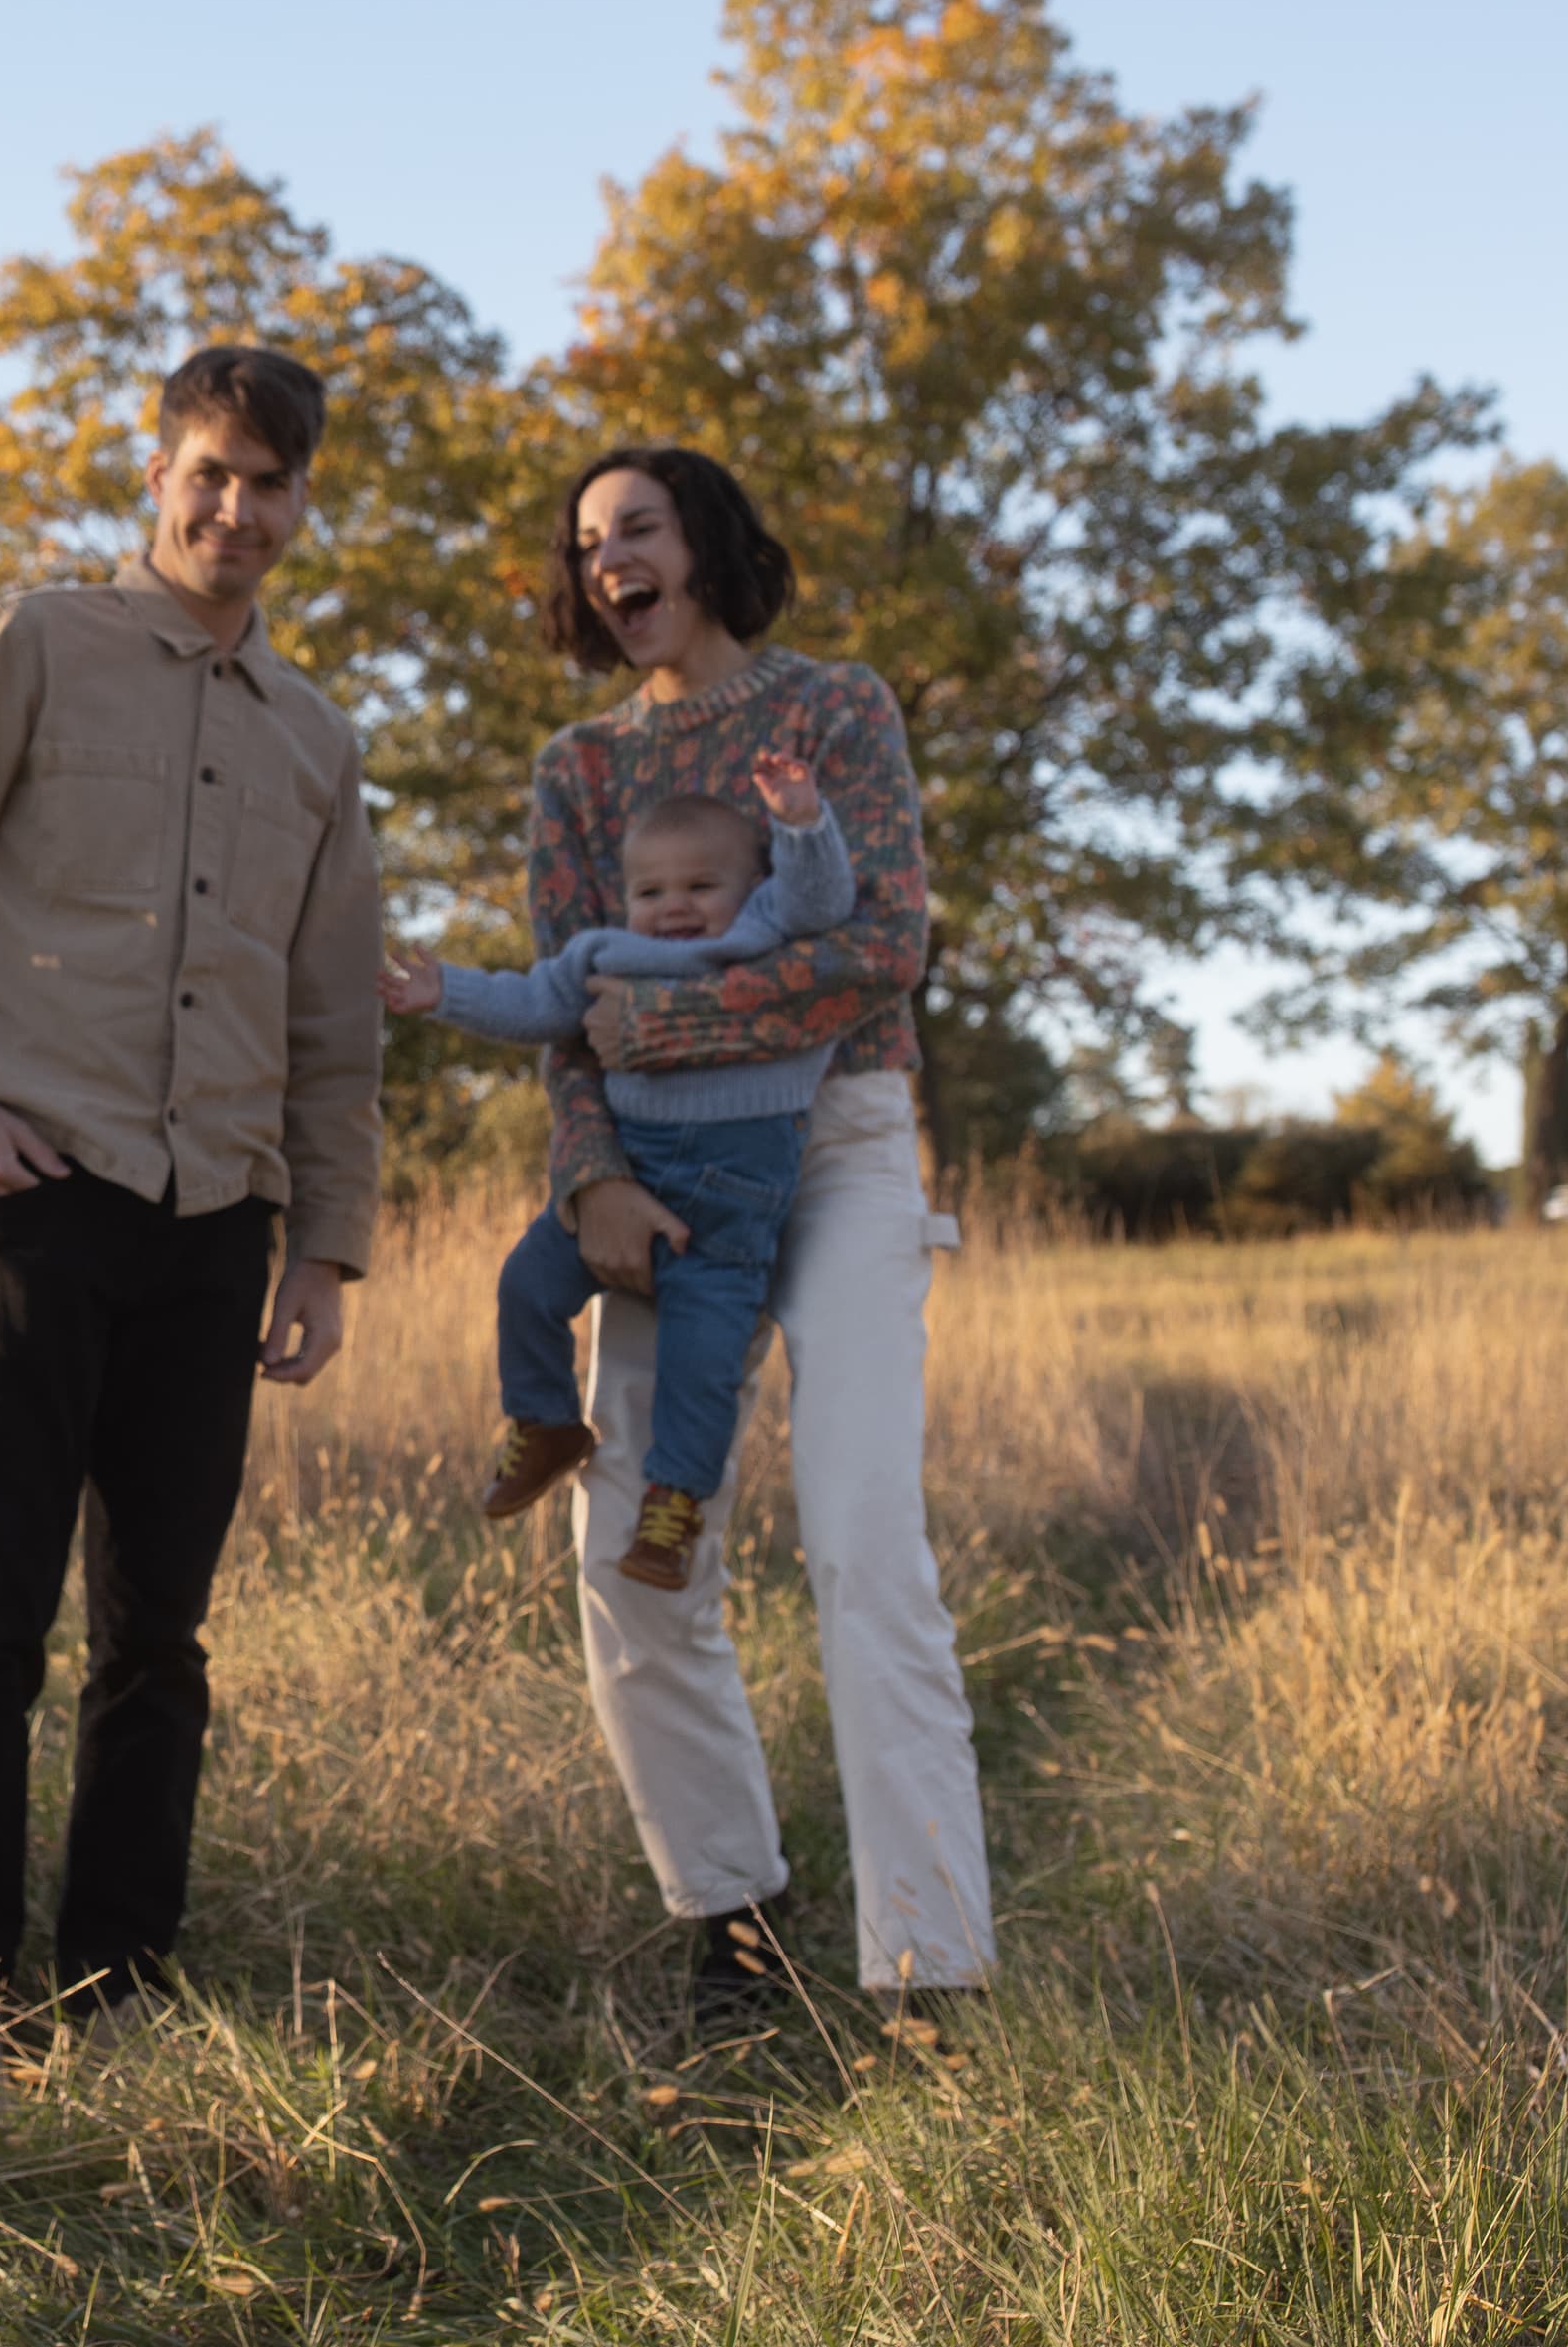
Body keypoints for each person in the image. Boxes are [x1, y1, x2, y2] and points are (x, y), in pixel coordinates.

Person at [0, 344, 383, 2072]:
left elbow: (332, 1018)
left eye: (271, 483)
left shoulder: (317, 741)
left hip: (217, 1221)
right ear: (159, 472)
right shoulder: (34, 643)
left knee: (159, 1630)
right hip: (37, 1191)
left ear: (304, 505)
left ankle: (119, 1985)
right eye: (210, 472)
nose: (237, 508)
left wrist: (327, 1243)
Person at [523, 443, 990, 2032]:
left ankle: (929, 1963)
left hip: (843, 1144)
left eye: (635, 528)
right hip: (656, 1176)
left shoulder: (837, 707)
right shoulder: (578, 774)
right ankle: (737, 1921)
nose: (609, 564)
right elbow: (560, 1025)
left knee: (864, 1536)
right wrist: (592, 1179)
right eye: (587, 545)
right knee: (632, 1553)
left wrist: (653, 1001)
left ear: (705, 539)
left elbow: (886, 945)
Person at [380, 751, 852, 1582]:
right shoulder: (604, 951)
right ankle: (545, 1420)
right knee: (526, 1285)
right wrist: (444, 991)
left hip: (730, 1213)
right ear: (625, 899)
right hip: (630, 1175)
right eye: (651, 892)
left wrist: (803, 820)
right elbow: (531, 1005)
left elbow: (824, 897)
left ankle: (672, 1508)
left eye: (701, 887)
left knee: (701, 1367)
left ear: (749, 887)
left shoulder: (767, 930)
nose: (673, 908)